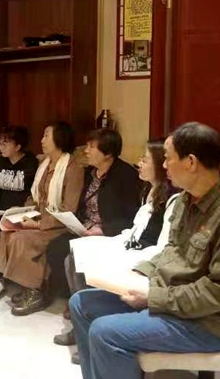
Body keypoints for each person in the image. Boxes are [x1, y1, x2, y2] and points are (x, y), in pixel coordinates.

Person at [70, 122, 220, 379]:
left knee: (104, 333)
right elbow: (170, 250)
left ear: (191, 162)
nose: (164, 165)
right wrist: (139, 274)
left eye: (168, 158)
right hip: (169, 299)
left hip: (209, 321)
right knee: (81, 304)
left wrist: (154, 297)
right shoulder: (185, 200)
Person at [58, 138, 178, 363]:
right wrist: (116, 241)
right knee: (73, 257)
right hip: (131, 245)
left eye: (145, 159)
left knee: (88, 265)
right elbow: (135, 229)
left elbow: (162, 247)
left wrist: (120, 248)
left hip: (144, 256)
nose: (139, 163)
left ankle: (93, 329)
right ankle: (82, 324)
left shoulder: (173, 200)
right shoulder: (150, 191)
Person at [0, 122, 84, 315]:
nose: (42, 140)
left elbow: (69, 210)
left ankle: (37, 293)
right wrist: (22, 213)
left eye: (46, 136)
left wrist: (37, 224)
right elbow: (35, 197)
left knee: (21, 239)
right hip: (38, 217)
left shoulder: (73, 168)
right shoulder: (45, 164)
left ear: (59, 139)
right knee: (7, 233)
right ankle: (28, 286)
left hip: (59, 225)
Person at [46, 128, 142, 306]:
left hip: (108, 233)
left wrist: (103, 229)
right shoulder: (90, 172)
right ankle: (70, 296)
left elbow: (132, 218)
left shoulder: (126, 176)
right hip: (84, 227)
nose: (86, 151)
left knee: (69, 253)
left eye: (91, 147)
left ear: (108, 153)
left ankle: (83, 301)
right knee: (55, 247)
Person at [0, 126, 39, 303]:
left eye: (6, 143)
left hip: (18, 211)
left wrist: (20, 211)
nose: (1, 146)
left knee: (1, 230)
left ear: (18, 146)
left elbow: (31, 193)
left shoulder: (30, 163)